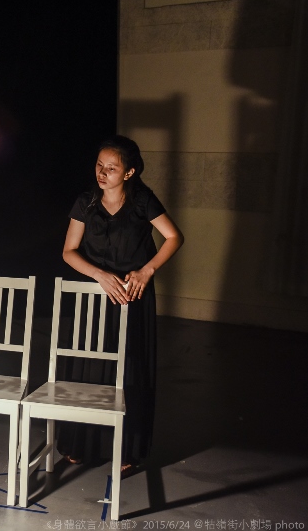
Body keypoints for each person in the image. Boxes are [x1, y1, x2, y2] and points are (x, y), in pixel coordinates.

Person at [57, 135, 183, 475]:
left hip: (131, 297)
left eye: (111, 168)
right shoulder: (86, 201)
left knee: (129, 370)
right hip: (94, 296)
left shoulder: (142, 200)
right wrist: (99, 275)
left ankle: (126, 449)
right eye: (99, 165)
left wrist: (147, 271)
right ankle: (80, 445)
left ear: (129, 172)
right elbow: (69, 251)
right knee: (87, 368)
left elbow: (174, 237)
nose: (102, 173)